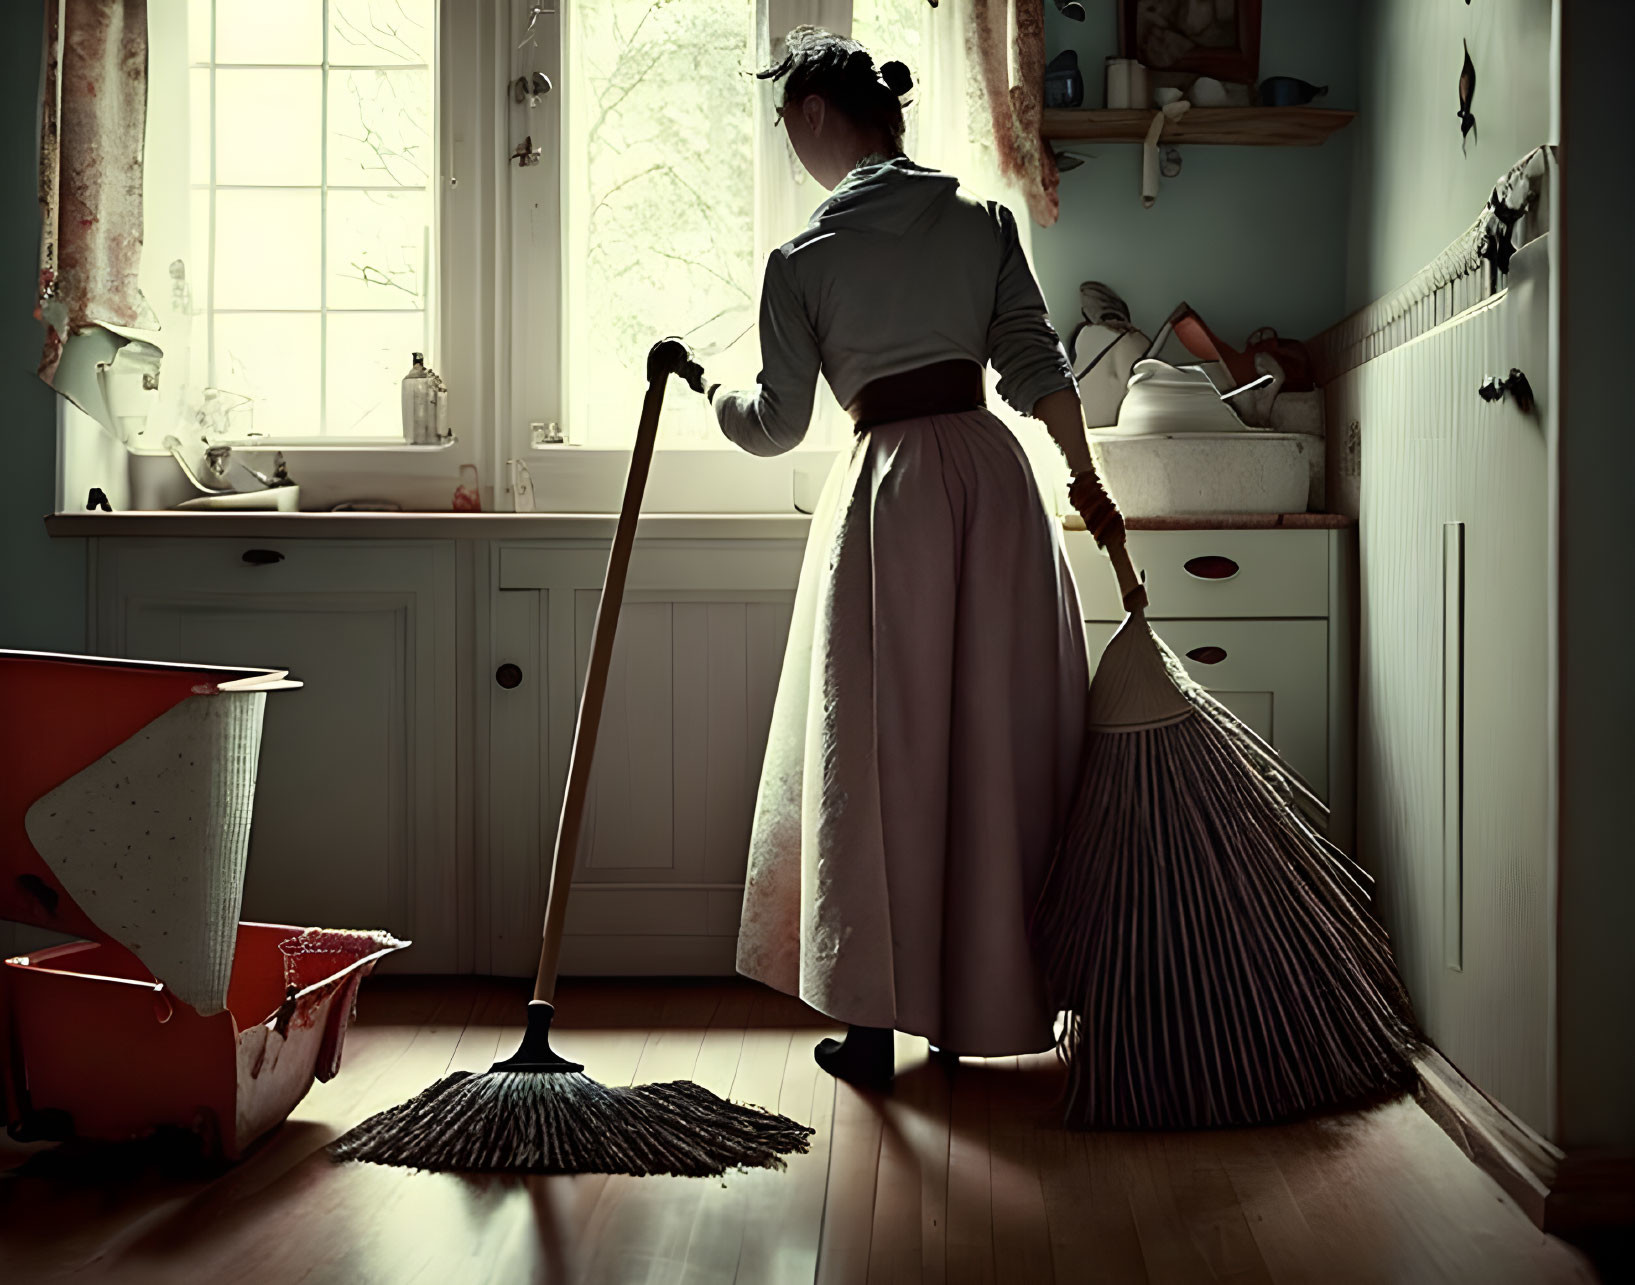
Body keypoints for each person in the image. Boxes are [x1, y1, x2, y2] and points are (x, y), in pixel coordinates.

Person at [694, 27, 1123, 1088]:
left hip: (888, 501)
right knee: (998, 737)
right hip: (993, 481)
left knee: (882, 756)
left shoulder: (802, 262)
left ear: (812, 116)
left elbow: (777, 422)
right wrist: (1083, 476)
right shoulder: (981, 221)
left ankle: (876, 1027)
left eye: (788, 124)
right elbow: (1033, 364)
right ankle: (979, 1006)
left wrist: (711, 395)